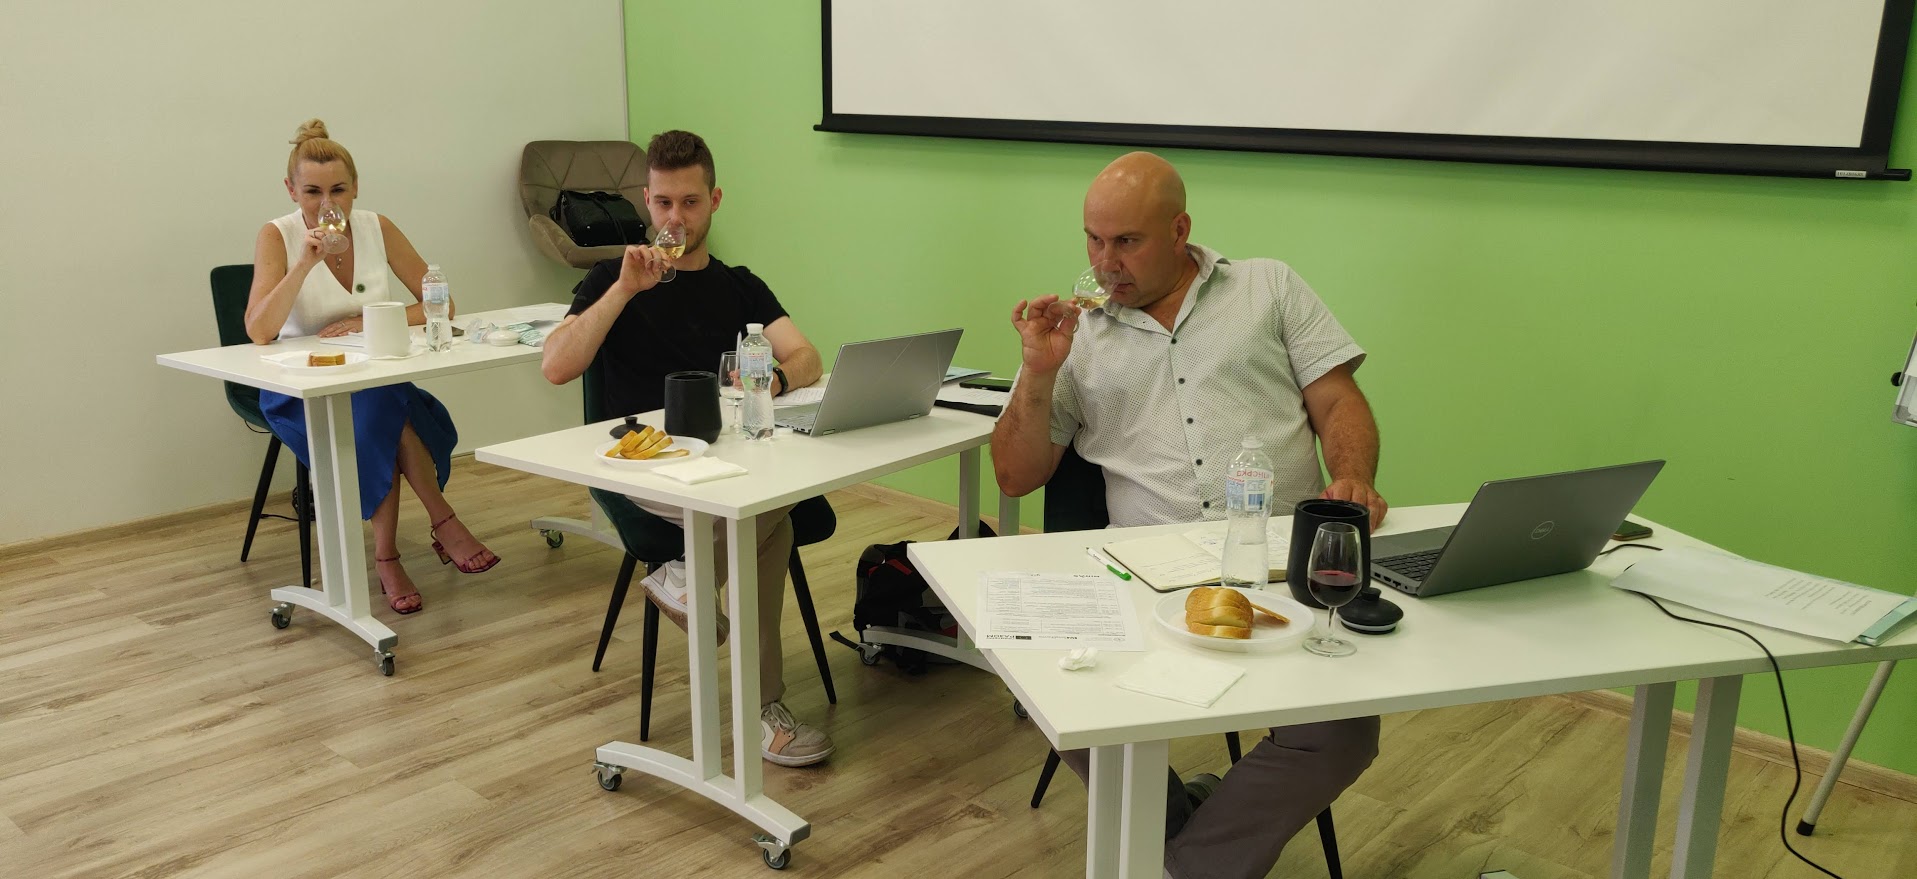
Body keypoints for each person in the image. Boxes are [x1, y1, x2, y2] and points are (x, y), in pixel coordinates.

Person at [991, 151, 1385, 879]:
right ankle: (1192, 841)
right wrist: (1039, 372)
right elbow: (1015, 475)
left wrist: (1353, 475)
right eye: (1092, 240)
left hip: (1278, 563)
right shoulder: (1075, 335)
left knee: (1342, 734)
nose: (1105, 263)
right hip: (1142, 570)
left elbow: (1337, 400)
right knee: (1053, 684)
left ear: (1180, 231)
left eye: (1126, 242)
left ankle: (1176, 863)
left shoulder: (1268, 287)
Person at [540, 130, 832, 768]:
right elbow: (557, 366)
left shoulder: (740, 285)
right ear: (646, 201)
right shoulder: (608, 279)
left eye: (690, 203)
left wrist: (775, 380)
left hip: (726, 459)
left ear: (714, 201)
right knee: (768, 519)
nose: (676, 219)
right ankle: (762, 710)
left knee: (770, 512)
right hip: (643, 466)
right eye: (664, 203)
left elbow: (807, 355)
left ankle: (685, 581)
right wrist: (625, 290)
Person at [245, 119, 499, 615]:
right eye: (313, 192)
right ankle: (437, 526)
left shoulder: (376, 227)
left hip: (373, 377)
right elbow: (259, 330)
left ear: (356, 187)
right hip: (302, 388)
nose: (328, 204)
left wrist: (366, 320)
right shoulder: (277, 235)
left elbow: (440, 304)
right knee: (389, 410)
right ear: (292, 190)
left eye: (339, 190)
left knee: (382, 401)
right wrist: (304, 265)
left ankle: (389, 555)